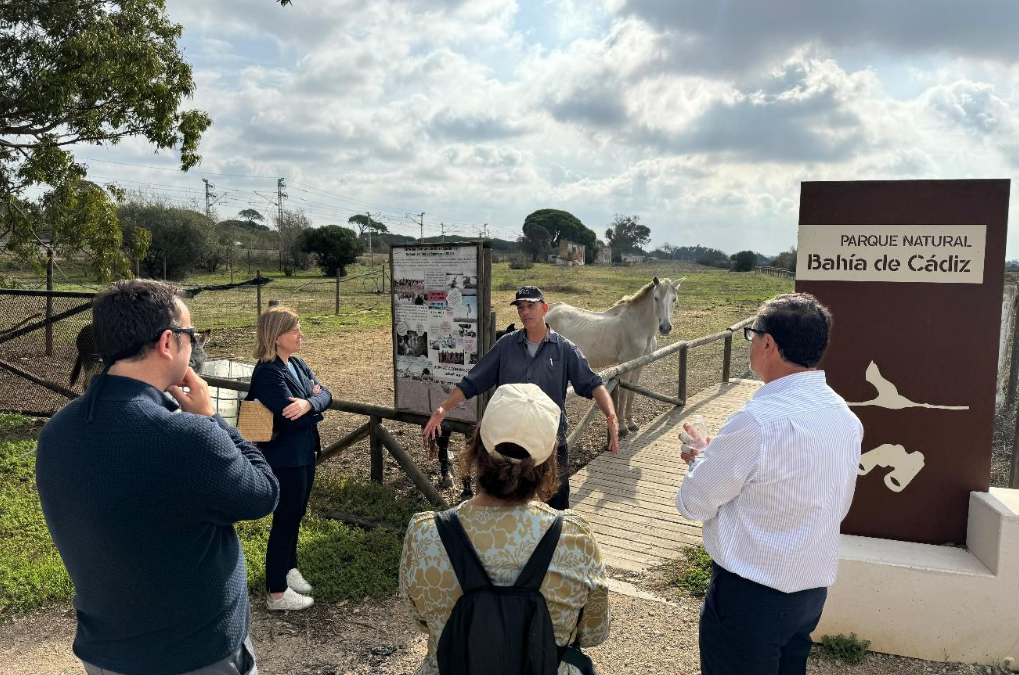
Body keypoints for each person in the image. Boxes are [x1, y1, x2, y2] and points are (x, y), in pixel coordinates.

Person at [35, 279, 279, 675]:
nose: (194, 345)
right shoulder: (185, 436)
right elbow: (263, 492)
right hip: (195, 654)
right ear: (168, 342)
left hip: (104, 653)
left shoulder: (57, 431)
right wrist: (213, 420)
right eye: (192, 336)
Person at [674, 293, 862, 675]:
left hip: (749, 596)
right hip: (809, 593)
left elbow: (693, 503)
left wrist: (703, 462)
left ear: (768, 343)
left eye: (752, 335)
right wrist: (718, 456)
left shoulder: (757, 420)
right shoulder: (843, 415)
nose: (751, 344)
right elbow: (821, 495)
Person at [401, 383, 611, 675]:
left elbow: (422, 620)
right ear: (548, 461)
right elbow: (594, 633)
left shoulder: (425, 534)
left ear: (477, 447)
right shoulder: (574, 538)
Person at [423, 286, 619, 509]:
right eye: (521, 307)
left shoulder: (564, 349)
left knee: (555, 506)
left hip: (550, 443)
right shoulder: (506, 346)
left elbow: (593, 383)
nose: (525, 312)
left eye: (531, 306)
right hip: (508, 446)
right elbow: (473, 381)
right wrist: (443, 408)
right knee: (502, 504)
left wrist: (611, 415)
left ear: (544, 308)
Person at [247, 306, 333, 611]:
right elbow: (290, 419)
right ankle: (277, 592)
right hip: (284, 458)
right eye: (295, 330)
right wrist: (314, 401)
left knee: (297, 513)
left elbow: (328, 394)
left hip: (305, 452)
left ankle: (289, 568)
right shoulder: (268, 373)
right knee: (285, 519)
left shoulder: (296, 363)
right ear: (277, 336)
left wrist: (310, 403)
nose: (301, 335)